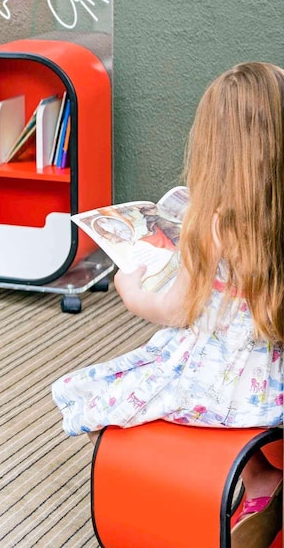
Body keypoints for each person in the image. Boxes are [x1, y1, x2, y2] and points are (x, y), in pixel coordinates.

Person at [51, 62, 284, 547]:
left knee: (92, 399)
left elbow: (178, 309)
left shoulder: (213, 223)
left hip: (220, 383)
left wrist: (134, 293)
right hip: (274, 390)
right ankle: (261, 477)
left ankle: (245, 481)